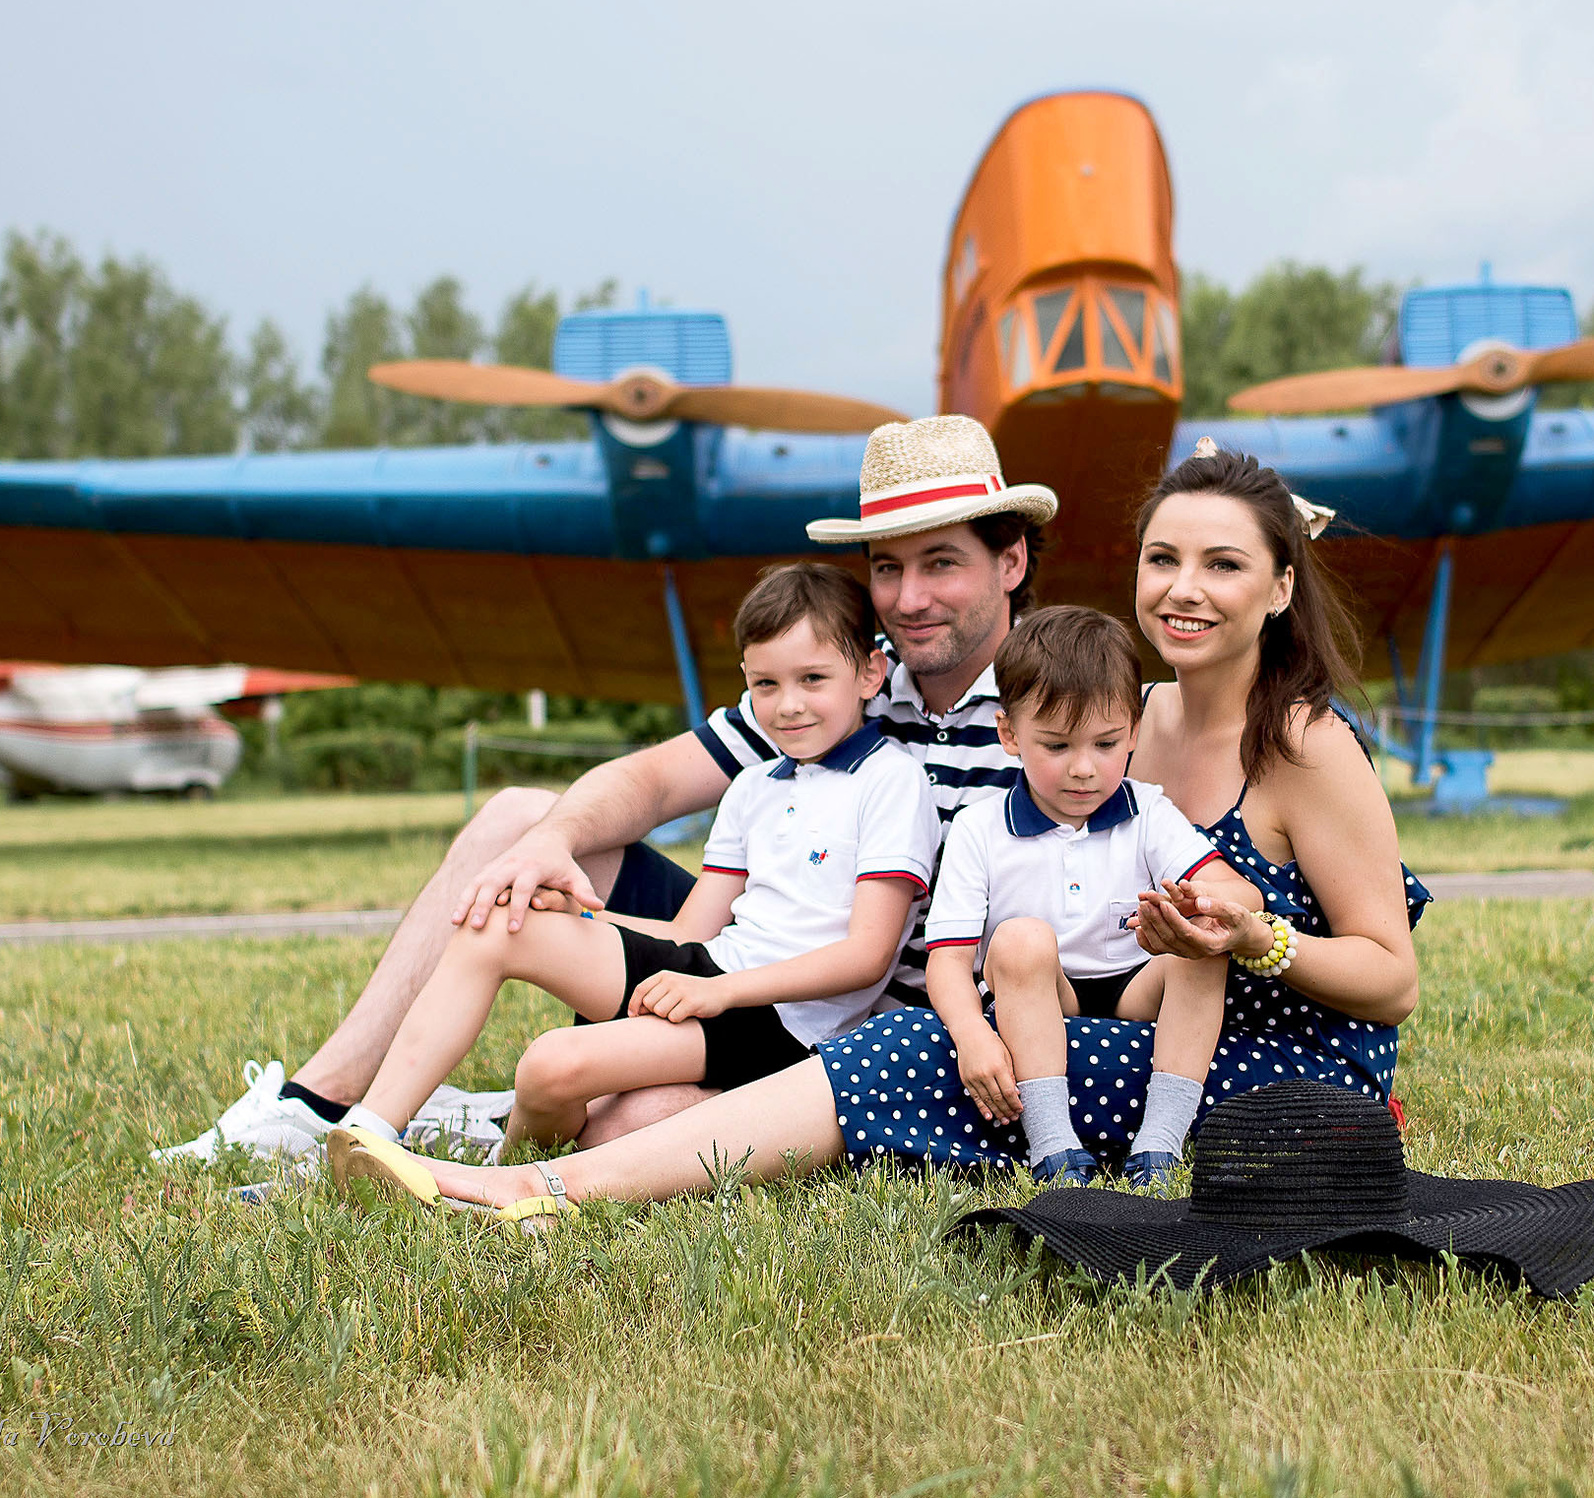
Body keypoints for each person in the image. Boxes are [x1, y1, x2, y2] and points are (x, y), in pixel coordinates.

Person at [328, 439, 1430, 1220]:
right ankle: (340, 1110)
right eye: (1162, 559)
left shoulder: (1302, 743)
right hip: (1061, 1004)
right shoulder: (1115, 718)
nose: (1182, 589)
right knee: (535, 829)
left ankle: (532, 1187)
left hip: (1266, 1061)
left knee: (900, 1046)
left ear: (1282, 584)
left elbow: (1392, 980)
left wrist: (1252, 941)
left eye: (1223, 564)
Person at [154, 415, 1056, 1164]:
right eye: (888, 568)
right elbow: (659, 778)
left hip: (867, 1027)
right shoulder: (834, 682)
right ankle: (322, 1102)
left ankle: (485, 1117)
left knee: (633, 1125)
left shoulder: (1055, 714)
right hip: (749, 955)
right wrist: (554, 851)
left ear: (1010, 562)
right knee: (522, 821)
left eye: (941, 563)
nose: (907, 597)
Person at [329, 563, 939, 1151]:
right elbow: (688, 932)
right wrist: (576, 915)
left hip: (787, 1027)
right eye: (765, 684)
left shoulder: (892, 781)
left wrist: (724, 994)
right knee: (499, 921)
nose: (787, 706)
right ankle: (368, 1133)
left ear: (868, 673)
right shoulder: (754, 787)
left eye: (812, 679)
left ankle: (502, 1161)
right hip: (712, 972)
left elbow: (867, 956)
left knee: (547, 1067)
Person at [924, 606, 1259, 1191]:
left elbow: (1240, 891)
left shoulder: (1147, 810)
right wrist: (973, 1035)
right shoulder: (979, 828)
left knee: (1205, 944)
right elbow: (948, 960)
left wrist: (1192, 907)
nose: (1083, 769)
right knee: (1021, 937)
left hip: (1134, 988)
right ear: (1010, 734)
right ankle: (1053, 1146)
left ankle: (1161, 1143)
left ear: (1133, 729)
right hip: (1043, 993)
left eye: (1106, 744)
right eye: (1055, 745)